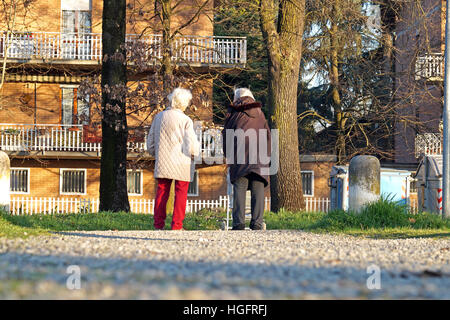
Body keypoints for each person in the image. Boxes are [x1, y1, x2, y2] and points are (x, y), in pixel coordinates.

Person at [147, 88, 200, 230]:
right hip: (181, 161)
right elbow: (191, 145)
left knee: (162, 191)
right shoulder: (186, 120)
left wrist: (156, 154)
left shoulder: (158, 117)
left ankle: (158, 225)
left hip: (164, 159)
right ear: (184, 104)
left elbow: (150, 143)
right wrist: (195, 154)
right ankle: (177, 225)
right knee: (181, 192)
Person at [222, 88, 271, 230]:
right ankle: (257, 223)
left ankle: (238, 223)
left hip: (239, 155)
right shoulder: (260, 114)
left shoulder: (233, 113)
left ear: (237, 98)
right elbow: (268, 136)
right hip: (259, 156)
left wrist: (228, 155)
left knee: (240, 185)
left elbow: (226, 135)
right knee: (258, 186)